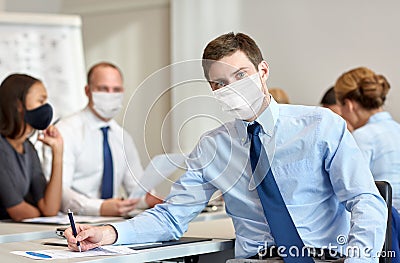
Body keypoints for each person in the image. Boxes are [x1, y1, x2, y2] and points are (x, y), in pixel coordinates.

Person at [65, 33, 387, 262]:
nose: (231, 89)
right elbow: (170, 217)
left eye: (241, 75)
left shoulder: (320, 126)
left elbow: (365, 201)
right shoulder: (212, 148)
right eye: (220, 84)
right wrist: (108, 233)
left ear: (263, 72)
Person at [55, 62, 161, 216]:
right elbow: (59, 190)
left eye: (116, 90)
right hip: (72, 222)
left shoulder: (122, 137)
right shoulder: (66, 131)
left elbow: (136, 188)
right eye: (103, 89)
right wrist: (99, 208)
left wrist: (151, 199)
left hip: (112, 222)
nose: (110, 95)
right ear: (87, 91)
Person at [334, 67, 400, 262]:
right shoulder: (398, 129)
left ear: (349, 104)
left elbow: (351, 189)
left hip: (389, 231)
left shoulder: (362, 137)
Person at [0, 74, 63, 221]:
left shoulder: (28, 147)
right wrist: (40, 214)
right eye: (41, 101)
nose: (46, 107)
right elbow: (18, 211)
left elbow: (50, 208)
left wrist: (58, 152)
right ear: (18, 105)